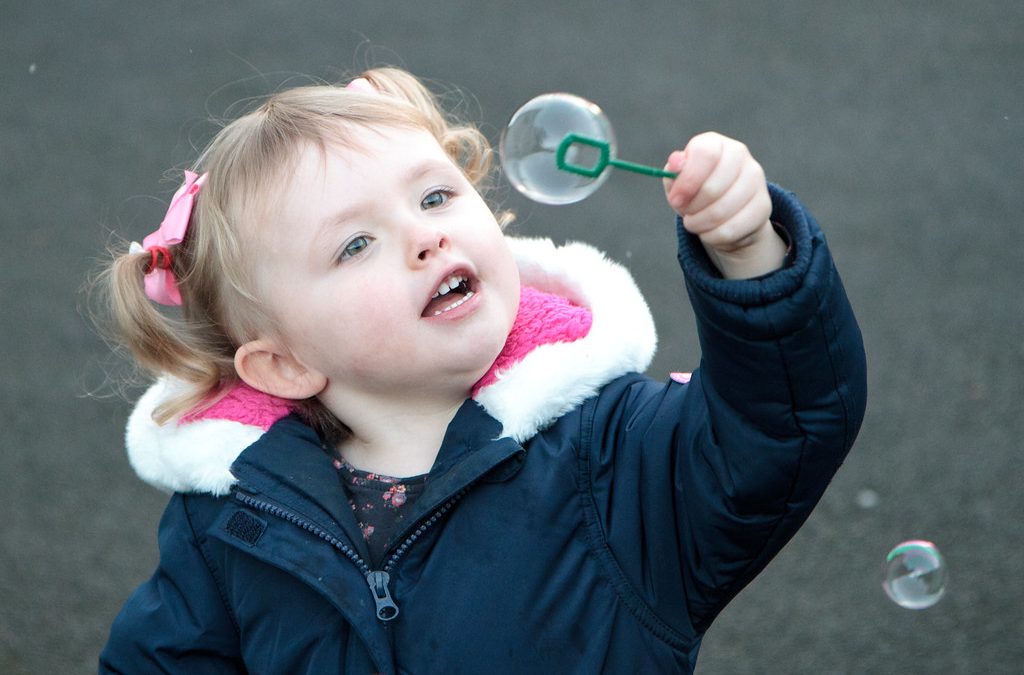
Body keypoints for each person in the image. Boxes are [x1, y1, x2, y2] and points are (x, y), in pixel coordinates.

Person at [97, 66, 866, 674]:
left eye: (434, 196)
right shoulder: (231, 517)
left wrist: (749, 252)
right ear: (284, 363)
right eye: (355, 244)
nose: (424, 238)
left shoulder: (613, 454)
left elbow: (781, 427)